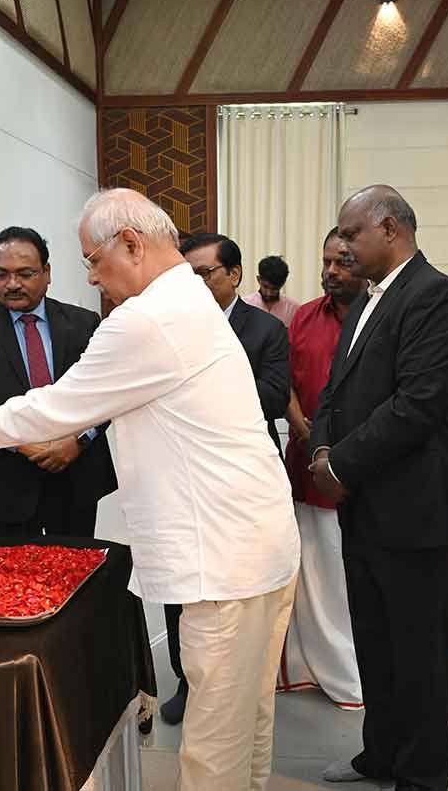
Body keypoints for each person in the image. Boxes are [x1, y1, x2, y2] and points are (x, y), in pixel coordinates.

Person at [0, 188, 300, 791]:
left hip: (224, 561)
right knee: (246, 722)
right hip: (259, 546)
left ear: (130, 243)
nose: (90, 277)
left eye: (92, 259)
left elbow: (55, 407)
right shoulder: (189, 296)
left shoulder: (148, 318)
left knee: (214, 747)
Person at [312, 185, 448, 791]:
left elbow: (418, 404)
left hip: (413, 514)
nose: (344, 246)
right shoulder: (366, 299)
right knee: (376, 648)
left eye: (352, 234)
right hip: (366, 511)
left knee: (420, 660)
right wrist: (322, 448)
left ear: (389, 228)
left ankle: (421, 775)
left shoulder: (435, 296)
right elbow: (335, 391)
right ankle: (379, 755)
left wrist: (340, 465)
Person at [158, 232, 290, 724]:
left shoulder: (265, 330)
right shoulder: (167, 327)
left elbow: (274, 397)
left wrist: (208, 373)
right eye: (185, 275)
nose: (194, 284)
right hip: (180, 474)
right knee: (183, 579)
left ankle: (241, 680)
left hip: (241, 479)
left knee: (238, 584)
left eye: (204, 274)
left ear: (233, 275)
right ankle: (186, 679)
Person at [0, 226, 115, 538]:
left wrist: (78, 440)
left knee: (76, 566)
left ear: (47, 273)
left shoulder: (83, 323)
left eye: (25, 273)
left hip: (75, 479)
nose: (12, 284)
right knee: (7, 571)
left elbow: (107, 392)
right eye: (1, 274)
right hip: (2, 487)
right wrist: (21, 443)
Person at [278, 227, 368, 709]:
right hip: (306, 463)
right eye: (326, 261)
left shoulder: (383, 316)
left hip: (363, 469)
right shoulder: (305, 316)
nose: (331, 272)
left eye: (343, 262)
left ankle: (353, 674)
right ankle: (308, 667)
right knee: (310, 573)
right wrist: (302, 427)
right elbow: (285, 380)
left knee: (348, 578)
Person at [243, 254, 300, 327]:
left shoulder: (293, 308)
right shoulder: (245, 305)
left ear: (282, 284)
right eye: (265, 287)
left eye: (274, 289)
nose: (269, 293)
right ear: (258, 279)